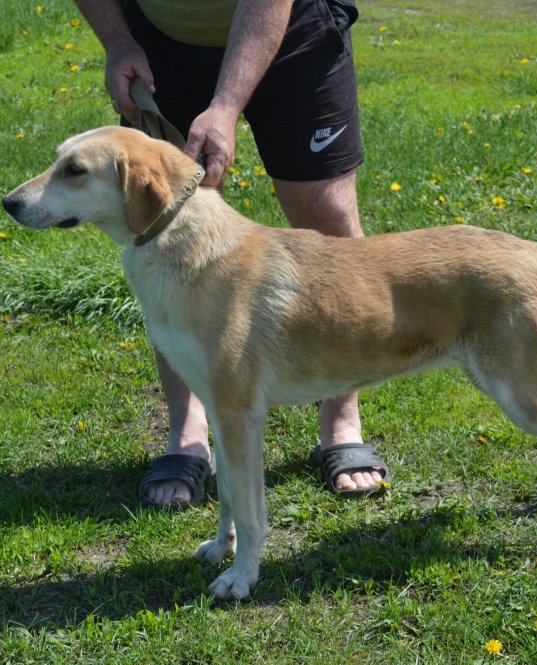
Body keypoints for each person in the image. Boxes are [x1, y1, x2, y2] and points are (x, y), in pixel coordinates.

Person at [73, 0, 390, 507]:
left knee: (327, 216)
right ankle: (188, 428)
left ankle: (341, 418)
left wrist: (226, 104)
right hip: (161, 45)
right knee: (161, 226)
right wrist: (118, 40)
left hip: (292, 31)